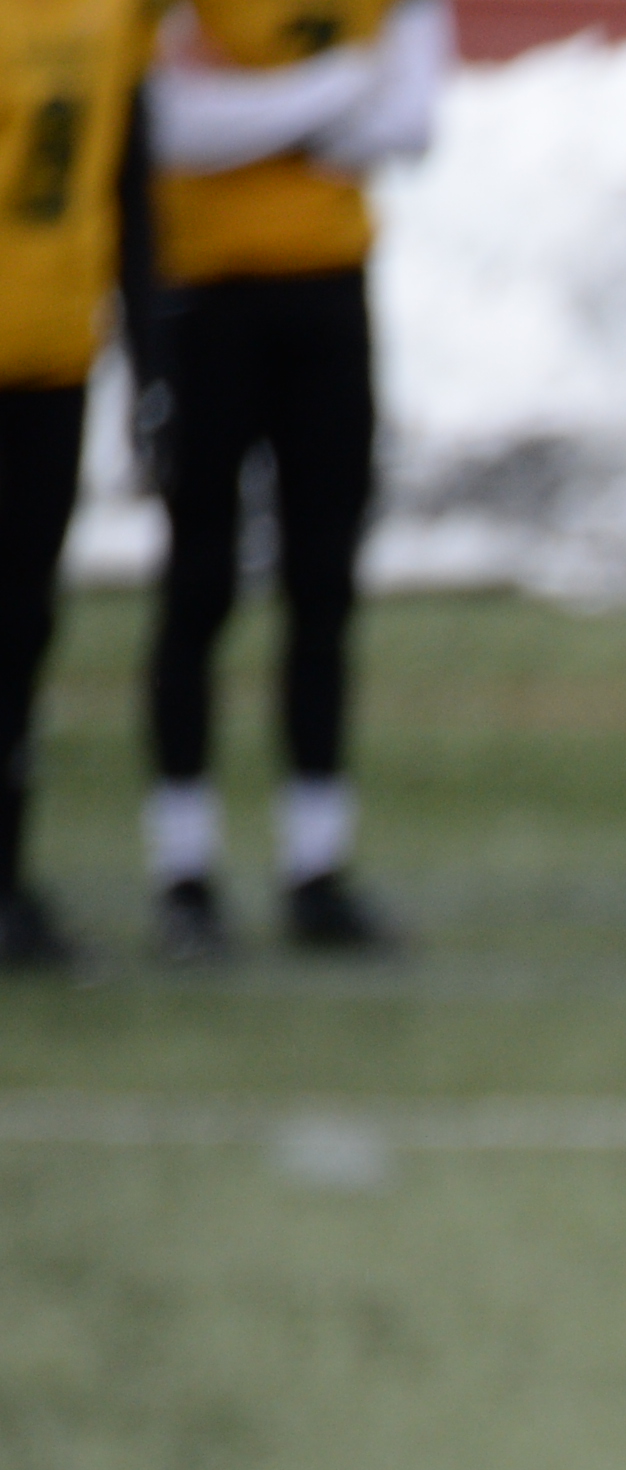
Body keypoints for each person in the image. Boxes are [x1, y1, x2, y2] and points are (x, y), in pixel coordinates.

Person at [136, 0, 443, 959]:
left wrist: (255, 108)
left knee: (325, 582)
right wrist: (337, 89)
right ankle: (183, 867)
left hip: (330, 293)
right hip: (204, 293)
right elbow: (173, 126)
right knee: (198, 582)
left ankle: (318, 862)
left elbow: (411, 122)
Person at [3, 0, 151, 973]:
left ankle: (8, 877)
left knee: (23, 628)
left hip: (55, 361)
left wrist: (149, 348)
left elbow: (127, 174)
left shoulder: (110, 15)